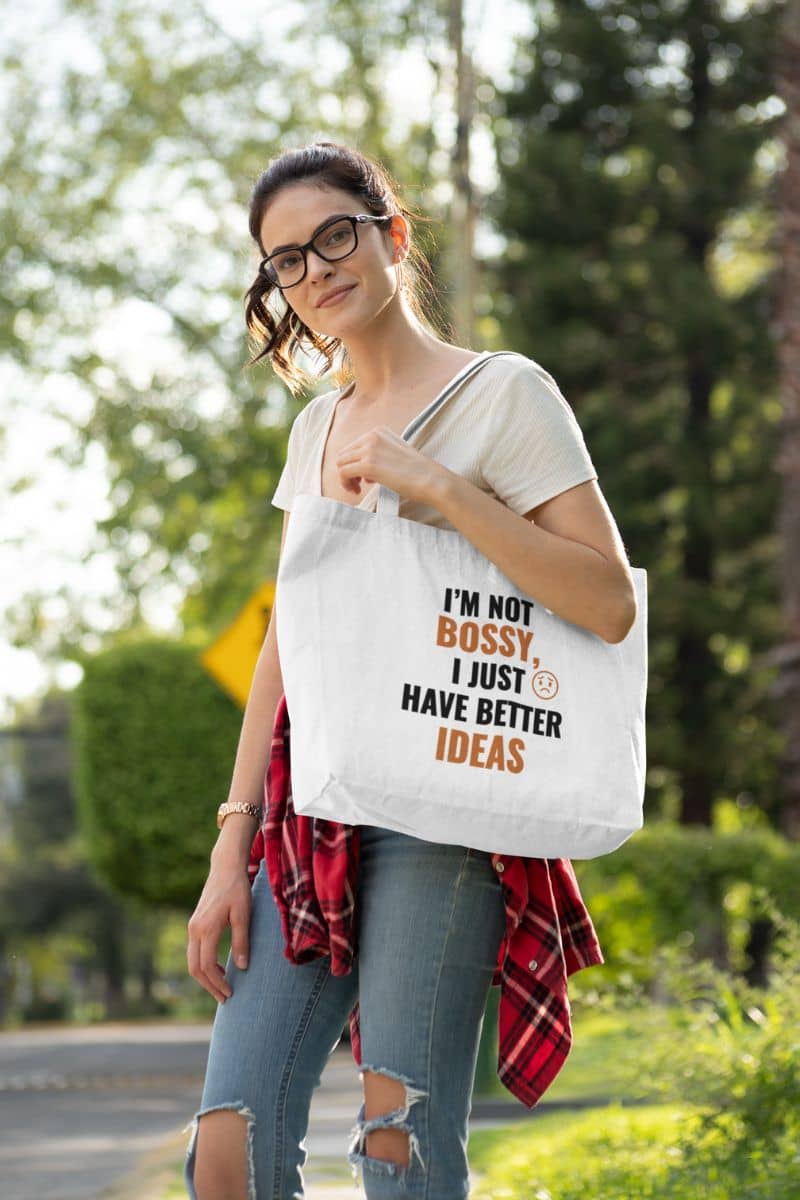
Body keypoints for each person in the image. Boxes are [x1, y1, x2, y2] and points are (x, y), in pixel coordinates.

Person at [184, 139, 636, 1200]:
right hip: (307, 817)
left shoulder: (504, 394)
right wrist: (229, 843)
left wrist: (438, 490)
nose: (314, 272)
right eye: (284, 262)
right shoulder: (315, 429)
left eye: (333, 236)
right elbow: (288, 641)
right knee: (226, 1152)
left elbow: (606, 603)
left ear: (389, 232)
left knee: (399, 1150)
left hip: (448, 807)